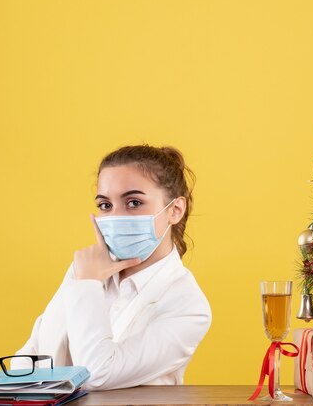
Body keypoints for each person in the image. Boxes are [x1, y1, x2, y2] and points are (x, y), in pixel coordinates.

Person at [13, 145, 212, 390]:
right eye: (105, 205)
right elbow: (29, 357)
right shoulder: (86, 269)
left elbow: (96, 374)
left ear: (175, 210)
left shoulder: (189, 307)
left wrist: (87, 285)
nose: (116, 216)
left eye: (134, 202)